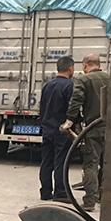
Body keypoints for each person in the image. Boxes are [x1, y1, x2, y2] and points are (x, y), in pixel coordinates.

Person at [60, 54, 109, 212]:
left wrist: (70, 120)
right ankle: (105, 197)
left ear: (85, 65)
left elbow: (76, 101)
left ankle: (89, 201)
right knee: (108, 164)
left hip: (93, 128)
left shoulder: (83, 80)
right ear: (99, 65)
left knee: (91, 165)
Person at [39, 56, 75, 201]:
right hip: (62, 130)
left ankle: (45, 191)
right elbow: (71, 109)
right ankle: (60, 192)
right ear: (70, 68)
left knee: (46, 162)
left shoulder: (47, 85)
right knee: (60, 161)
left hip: (47, 128)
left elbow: (42, 107)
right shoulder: (69, 86)